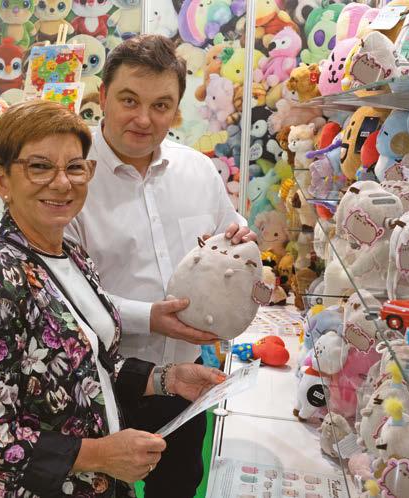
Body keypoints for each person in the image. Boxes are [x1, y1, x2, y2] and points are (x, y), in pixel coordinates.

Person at [0, 100, 226, 498]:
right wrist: (99, 454)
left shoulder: (71, 256)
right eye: (39, 166)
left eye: (75, 167)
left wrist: (167, 378)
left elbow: (90, 364)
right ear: (2, 180)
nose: (62, 183)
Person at [66, 35, 256, 498]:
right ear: (103, 96)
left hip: (185, 383)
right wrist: (148, 316)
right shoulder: (69, 180)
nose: (144, 119)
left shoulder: (198, 171)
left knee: (177, 485)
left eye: (161, 105)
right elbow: (64, 294)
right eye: (129, 100)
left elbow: (230, 232)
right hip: (99, 382)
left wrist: (241, 245)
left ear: (176, 109)